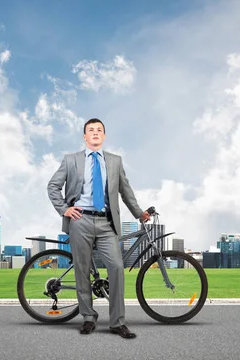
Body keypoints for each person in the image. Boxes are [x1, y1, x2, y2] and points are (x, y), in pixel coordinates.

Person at [48, 118, 150, 339]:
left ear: (104, 136)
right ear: (85, 137)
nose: (95, 133)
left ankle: (117, 322)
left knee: (116, 267)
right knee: (82, 271)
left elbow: (126, 191)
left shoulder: (115, 161)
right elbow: (53, 186)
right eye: (91, 130)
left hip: (106, 223)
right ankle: (88, 317)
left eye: (99, 130)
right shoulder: (70, 160)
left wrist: (139, 213)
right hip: (80, 221)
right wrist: (64, 209)